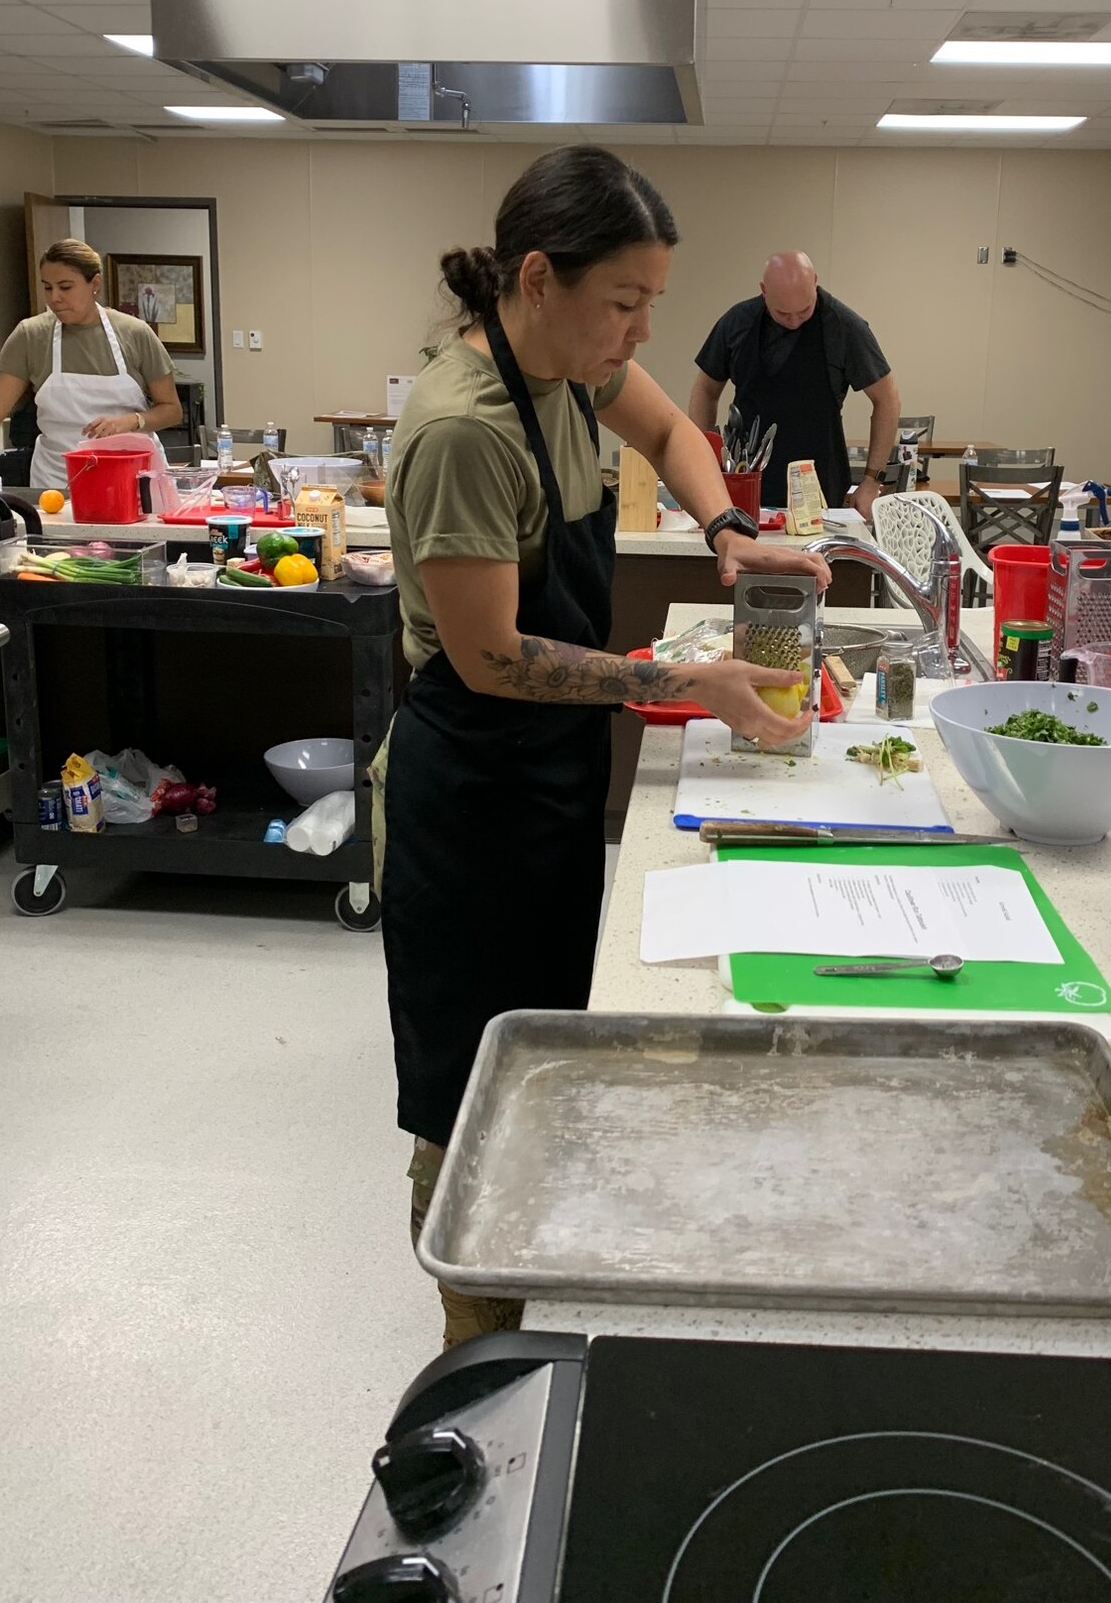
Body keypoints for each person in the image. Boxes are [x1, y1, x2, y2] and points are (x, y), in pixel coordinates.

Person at [373, 145, 830, 1351]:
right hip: (470, 789)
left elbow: (676, 426)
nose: (637, 330)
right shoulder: (466, 427)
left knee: (551, 1047)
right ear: (537, 276)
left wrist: (730, 531)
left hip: (550, 769)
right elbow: (490, 656)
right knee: (469, 1091)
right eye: (622, 300)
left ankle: (544, 1281)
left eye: (651, 305)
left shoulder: (572, 368)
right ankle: (476, 1342)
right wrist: (690, 684)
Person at [0, 239, 183, 490]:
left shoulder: (135, 333)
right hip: (58, 481)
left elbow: (171, 410)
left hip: (133, 479)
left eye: (65, 287)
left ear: (94, 284)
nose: (54, 298)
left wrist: (132, 421)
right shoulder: (31, 335)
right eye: (47, 288)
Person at [688, 251, 901, 520]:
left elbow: (887, 399)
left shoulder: (844, 326)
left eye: (804, 310)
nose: (794, 321)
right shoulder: (737, 322)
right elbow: (706, 389)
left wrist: (871, 481)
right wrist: (704, 465)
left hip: (820, 485)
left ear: (815, 282)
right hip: (745, 479)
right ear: (764, 291)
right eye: (783, 313)